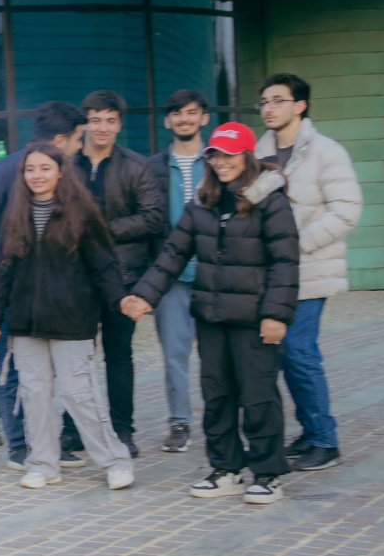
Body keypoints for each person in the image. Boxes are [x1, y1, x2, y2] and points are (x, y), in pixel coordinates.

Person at [125, 123, 298, 505]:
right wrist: (144, 295)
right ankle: (226, 469)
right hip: (212, 317)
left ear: (248, 156)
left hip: (254, 320)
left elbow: (285, 263)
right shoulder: (202, 203)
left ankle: (268, 474)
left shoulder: (270, 201)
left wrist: (276, 316)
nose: (221, 162)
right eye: (215, 155)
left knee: (258, 396)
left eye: (230, 154)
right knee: (217, 396)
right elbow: (172, 254)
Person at [0, 143, 132, 491]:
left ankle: (114, 461)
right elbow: (3, 270)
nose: (37, 175)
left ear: (60, 172)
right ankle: (43, 463)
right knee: (34, 396)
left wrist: (119, 302)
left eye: (45, 168)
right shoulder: (15, 214)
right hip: (26, 323)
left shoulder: (83, 212)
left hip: (72, 320)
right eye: (30, 169)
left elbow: (104, 265)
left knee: (81, 394)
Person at [0, 100, 88, 469]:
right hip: (13, 291)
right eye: (78, 140)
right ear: (62, 139)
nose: (80, 147)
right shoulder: (8, 170)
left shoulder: (61, 173)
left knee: (44, 373)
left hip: (51, 291)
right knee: (15, 369)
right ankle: (20, 446)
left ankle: (47, 445)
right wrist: (4, 258)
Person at [253, 73, 362, 474]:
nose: (268, 108)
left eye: (278, 100)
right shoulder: (259, 152)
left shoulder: (325, 152)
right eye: (264, 101)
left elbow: (347, 209)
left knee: (299, 351)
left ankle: (324, 440)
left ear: (300, 105)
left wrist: (297, 244)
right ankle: (309, 429)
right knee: (282, 354)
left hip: (310, 269)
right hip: (271, 275)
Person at [63, 91, 165, 458]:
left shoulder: (137, 167)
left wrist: (105, 228)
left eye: (110, 120)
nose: (102, 127)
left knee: (118, 356)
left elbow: (155, 217)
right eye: (95, 120)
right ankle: (73, 429)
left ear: (120, 124)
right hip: (75, 278)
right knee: (74, 357)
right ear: (85, 123)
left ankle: (123, 430)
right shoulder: (68, 164)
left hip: (122, 277)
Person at [144, 89, 211, 453]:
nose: (184, 119)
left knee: (218, 353)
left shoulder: (220, 162)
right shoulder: (153, 167)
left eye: (192, 112)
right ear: (168, 121)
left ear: (204, 118)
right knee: (174, 354)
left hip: (216, 276)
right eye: (177, 114)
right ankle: (179, 422)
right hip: (171, 278)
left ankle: (221, 416)